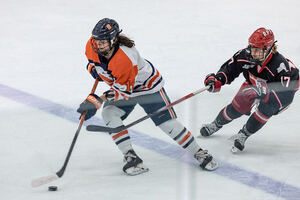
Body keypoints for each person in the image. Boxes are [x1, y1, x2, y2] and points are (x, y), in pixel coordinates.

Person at [76, 18, 218, 175]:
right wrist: (95, 70)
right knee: (109, 113)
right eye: (97, 41)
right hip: (125, 86)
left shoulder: (125, 57)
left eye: (103, 41)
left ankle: (198, 152)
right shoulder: (92, 45)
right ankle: (131, 157)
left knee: (167, 124)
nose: (98, 44)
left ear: (114, 39)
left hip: (148, 88)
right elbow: (91, 62)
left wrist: (98, 100)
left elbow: (124, 91)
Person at [199, 27, 299, 152]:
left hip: (278, 93)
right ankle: (216, 124)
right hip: (253, 83)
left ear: (269, 49)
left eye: (258, 50)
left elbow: (285, 96)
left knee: (267, 108)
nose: (253, 53)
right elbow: (230, 69)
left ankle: (244, 134)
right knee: (238, 106)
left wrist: (263, 93)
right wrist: (217, 79)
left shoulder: (280, 66)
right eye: (252, 48)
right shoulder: (244, 55)